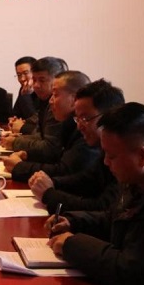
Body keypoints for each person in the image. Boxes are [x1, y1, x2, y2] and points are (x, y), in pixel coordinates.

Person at [46, 103, 144, 285]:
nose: (105, 162)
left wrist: (71, 245)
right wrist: (74, 221)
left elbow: (136, 272)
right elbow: (115, 218)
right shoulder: (142, 177)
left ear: (143, 156)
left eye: (111, 156)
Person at [28, 79, 125, 211]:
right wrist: (52, 182)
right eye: (77, 119)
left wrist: (49, 194)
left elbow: (103, 208)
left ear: (109, 116)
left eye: (85, 118)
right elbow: (87, 180)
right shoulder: (102, 147)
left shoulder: (123, 151)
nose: (79, 126)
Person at [3, 71, 97, 181]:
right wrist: (28, 155)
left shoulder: (86, 129)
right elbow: (56, 157)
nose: (51, 101)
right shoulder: (69, 123)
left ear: (74, 99)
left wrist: (20, 167)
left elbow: (65, 172)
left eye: (55, 95)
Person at [2, 56, 66, 162]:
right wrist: (18, 136)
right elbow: (39, 132)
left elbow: (49, 147)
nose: (36, 85)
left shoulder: (58, 105)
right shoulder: (45, 99)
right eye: (34, 80)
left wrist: (16, 141)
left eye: (42, 80)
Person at [11, 56, 37, 120]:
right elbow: (15, 114)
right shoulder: (23, 89)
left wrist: (26, 95)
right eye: (19, 75)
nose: (22, 79)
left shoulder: (43, 91)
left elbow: (34, 120)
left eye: (25, 73)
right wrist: (13, 120)